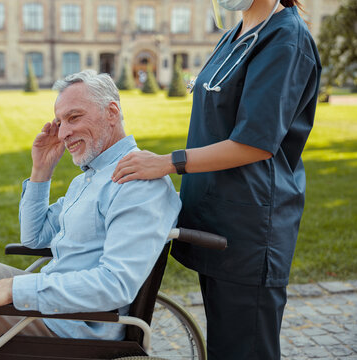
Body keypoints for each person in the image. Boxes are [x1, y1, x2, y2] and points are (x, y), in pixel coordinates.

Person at [0, 70, 181, 359]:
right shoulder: (92, 176)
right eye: (60, 122)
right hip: (58, 304)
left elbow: (115, 284)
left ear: (111, 112)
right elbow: (34, 237)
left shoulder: (137, 181)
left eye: (74, 118)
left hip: (75, 328)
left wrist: (16, 289)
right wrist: (41, 170)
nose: (62, 133)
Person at [112, 0, 321, 359]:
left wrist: (166, 162)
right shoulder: (234, 35)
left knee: (244, 350)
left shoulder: (286, 39)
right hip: (216, 221)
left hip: (250, 228)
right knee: (226, 347)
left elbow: (254, 143)